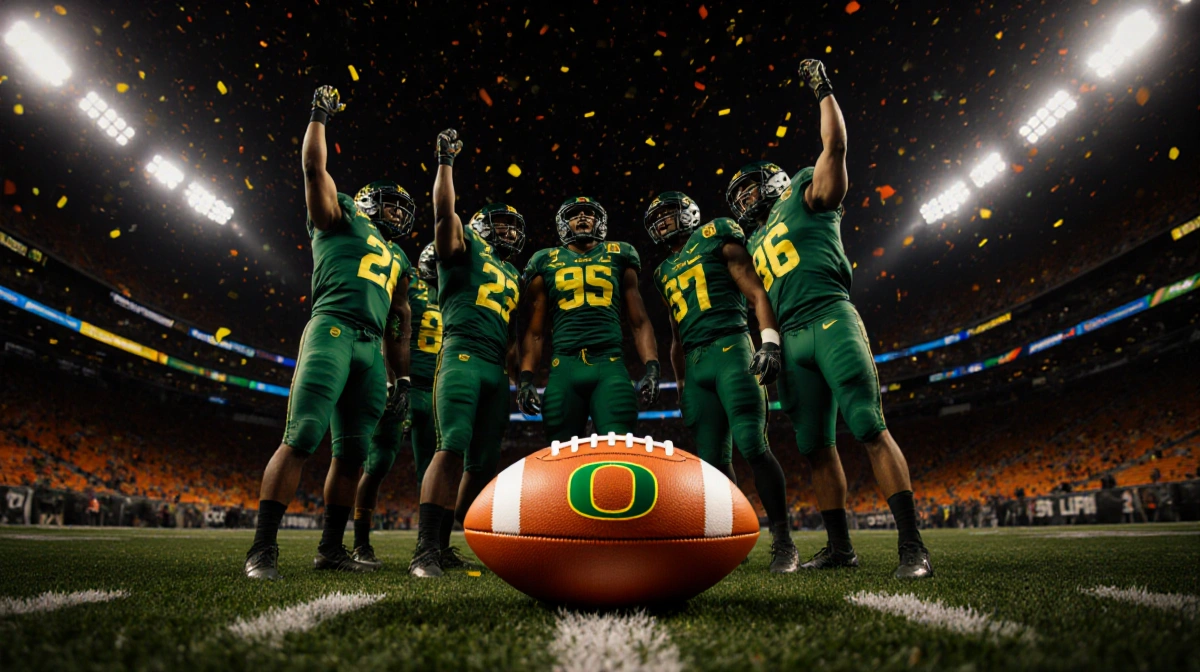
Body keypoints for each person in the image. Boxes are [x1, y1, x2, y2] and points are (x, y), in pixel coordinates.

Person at [726, 60, 932, 579]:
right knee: (815, 447)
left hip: (830, 317)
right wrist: (768, 341)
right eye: (740, 194)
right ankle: (840, 548)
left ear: (772, 182)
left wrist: (823, 91)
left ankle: (912, 545)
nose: (747, 198)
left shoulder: (806, 194)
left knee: (867, 424)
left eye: (752, 187)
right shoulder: (751, 238)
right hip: (790, 339)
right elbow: (762, 299)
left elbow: (835, 149)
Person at [244, 85, 414, 580]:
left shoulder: (400, 257)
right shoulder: (341, 215)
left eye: (405, 209)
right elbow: (312, 169)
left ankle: (330, 548)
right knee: (303, 435)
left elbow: (399, 322)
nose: (399, 214)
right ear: (366, 200)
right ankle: (262, 548)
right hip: (332, 329)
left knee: (353, 454)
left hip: (370, 349)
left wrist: (400, 378)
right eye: (391, 204)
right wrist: (318, 115)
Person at [644, 191, 798, 572]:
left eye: (669, 213)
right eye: (657, 217)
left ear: (689, 213)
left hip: (731, 347)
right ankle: (733, 539)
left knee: (751, 442)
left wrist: (769, 341)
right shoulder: (663, 271)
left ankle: (783, 541)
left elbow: (756, 291)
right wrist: (680, 385)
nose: (663, 221)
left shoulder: (716, 233)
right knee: (712, 463)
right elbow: (675, 337)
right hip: (695, 365)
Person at [410, 129, 524, 578]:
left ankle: (443, 542)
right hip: (460, 354)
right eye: (501, 224)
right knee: (451, 445)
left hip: (496, 368)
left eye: (514, 226)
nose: (509, 231)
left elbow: (512, 333)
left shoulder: (513, 271)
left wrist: (520, 376)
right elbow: (443, 213)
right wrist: (445, 162)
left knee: (483, 464)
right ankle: (425, 550)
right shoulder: (462, 246)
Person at [516, 197, 661, 437]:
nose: (582, 216)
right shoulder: (544, 260)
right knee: (559, 453)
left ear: (600, 221)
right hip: (564, 366)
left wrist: (653, 368)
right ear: (564, 223)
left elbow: (639, 321)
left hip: (609, 362)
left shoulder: (620, 253)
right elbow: (535, 331)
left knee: (618, 447)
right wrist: (525, 379)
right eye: (574, 214)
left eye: (588, 213)